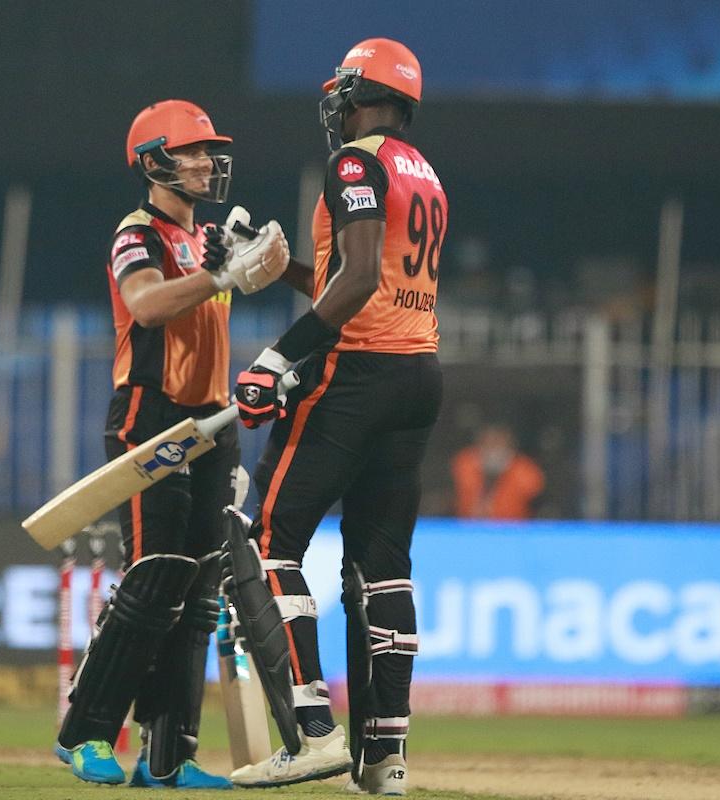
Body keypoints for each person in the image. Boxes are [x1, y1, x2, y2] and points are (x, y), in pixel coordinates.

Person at [229, 38, 446, 795]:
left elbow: (355, 284)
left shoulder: (357, 162)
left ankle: (312, 729)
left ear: (362, 92)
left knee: (262, 539)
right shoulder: (427, 175)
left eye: (344, 90)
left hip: (357, 373)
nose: (337, 104)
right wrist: (281, 266)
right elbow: (363, 278)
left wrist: (275, 359)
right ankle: (384, 759)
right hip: (418, 375)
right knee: (381, 568)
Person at [54, 99, 289, 788]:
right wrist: (221, 277)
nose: (207, 162)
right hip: (149, 415)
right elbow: (147, 305)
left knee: (197, 595)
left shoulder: (207, 236)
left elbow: (211, 301)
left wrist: (252, 266)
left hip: (210, 422)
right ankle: (86, 733)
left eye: (210, 150)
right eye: (191, 151)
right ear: (154, 159)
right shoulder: (138, 231)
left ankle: (168, 757)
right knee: (155, 573)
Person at [451, 423, 545, 519]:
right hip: (465, 528)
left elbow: (533, 489)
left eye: (498, 443)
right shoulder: (465, 462)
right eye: (488, 444)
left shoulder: (525, 470)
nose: (493, 450)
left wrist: (507, 471)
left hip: (513, 528)